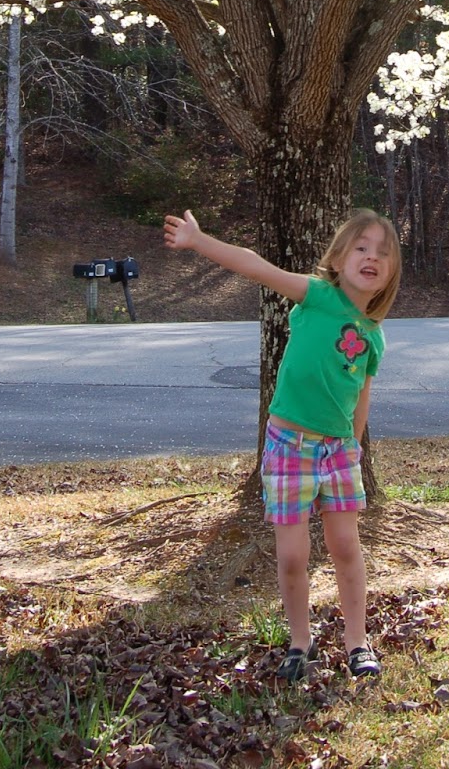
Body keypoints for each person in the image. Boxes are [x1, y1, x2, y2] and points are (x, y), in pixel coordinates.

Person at [162, 206, 401, 682]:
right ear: (337, 259)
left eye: (383, 253)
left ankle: (358, 641)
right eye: (361, 247)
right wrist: (199, 240)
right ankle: (300, 641)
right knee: (292, 556)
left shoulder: (373, 337)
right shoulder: (315, 296)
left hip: (337, 451)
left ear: (390, 272)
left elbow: (361, 399)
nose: (371, 257)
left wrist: (352, 449)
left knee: (346, 547)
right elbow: (256, 266)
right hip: (289, 445)